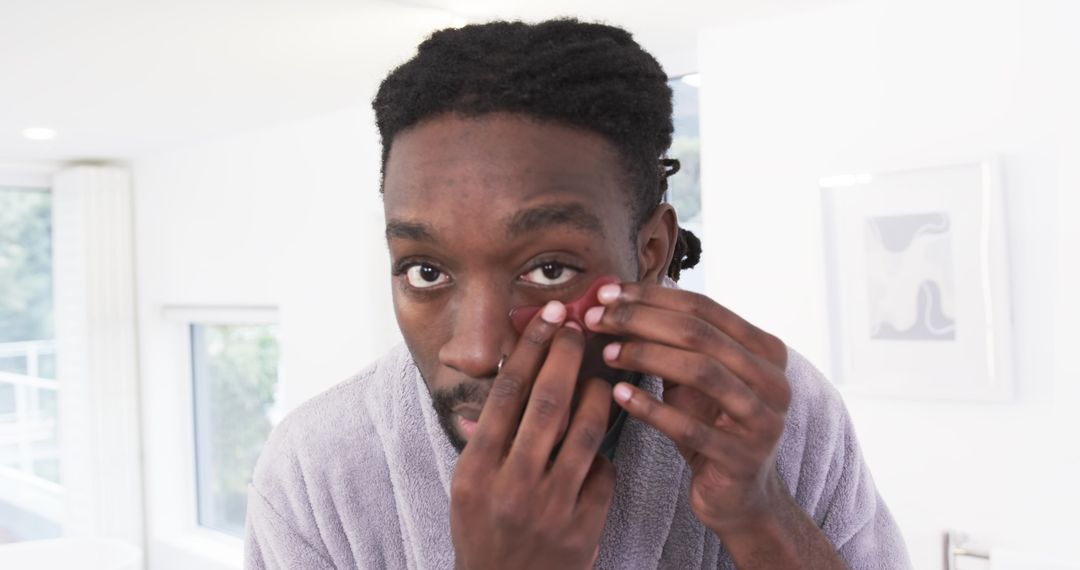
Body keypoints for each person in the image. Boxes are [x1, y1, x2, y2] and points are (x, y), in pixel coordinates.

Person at [244, 18, 911, 569]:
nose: (476, 352)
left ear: (650, 253)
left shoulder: (774, 422)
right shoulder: (319, 470)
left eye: (550, 269)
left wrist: (762, 513)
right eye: (425, 271)